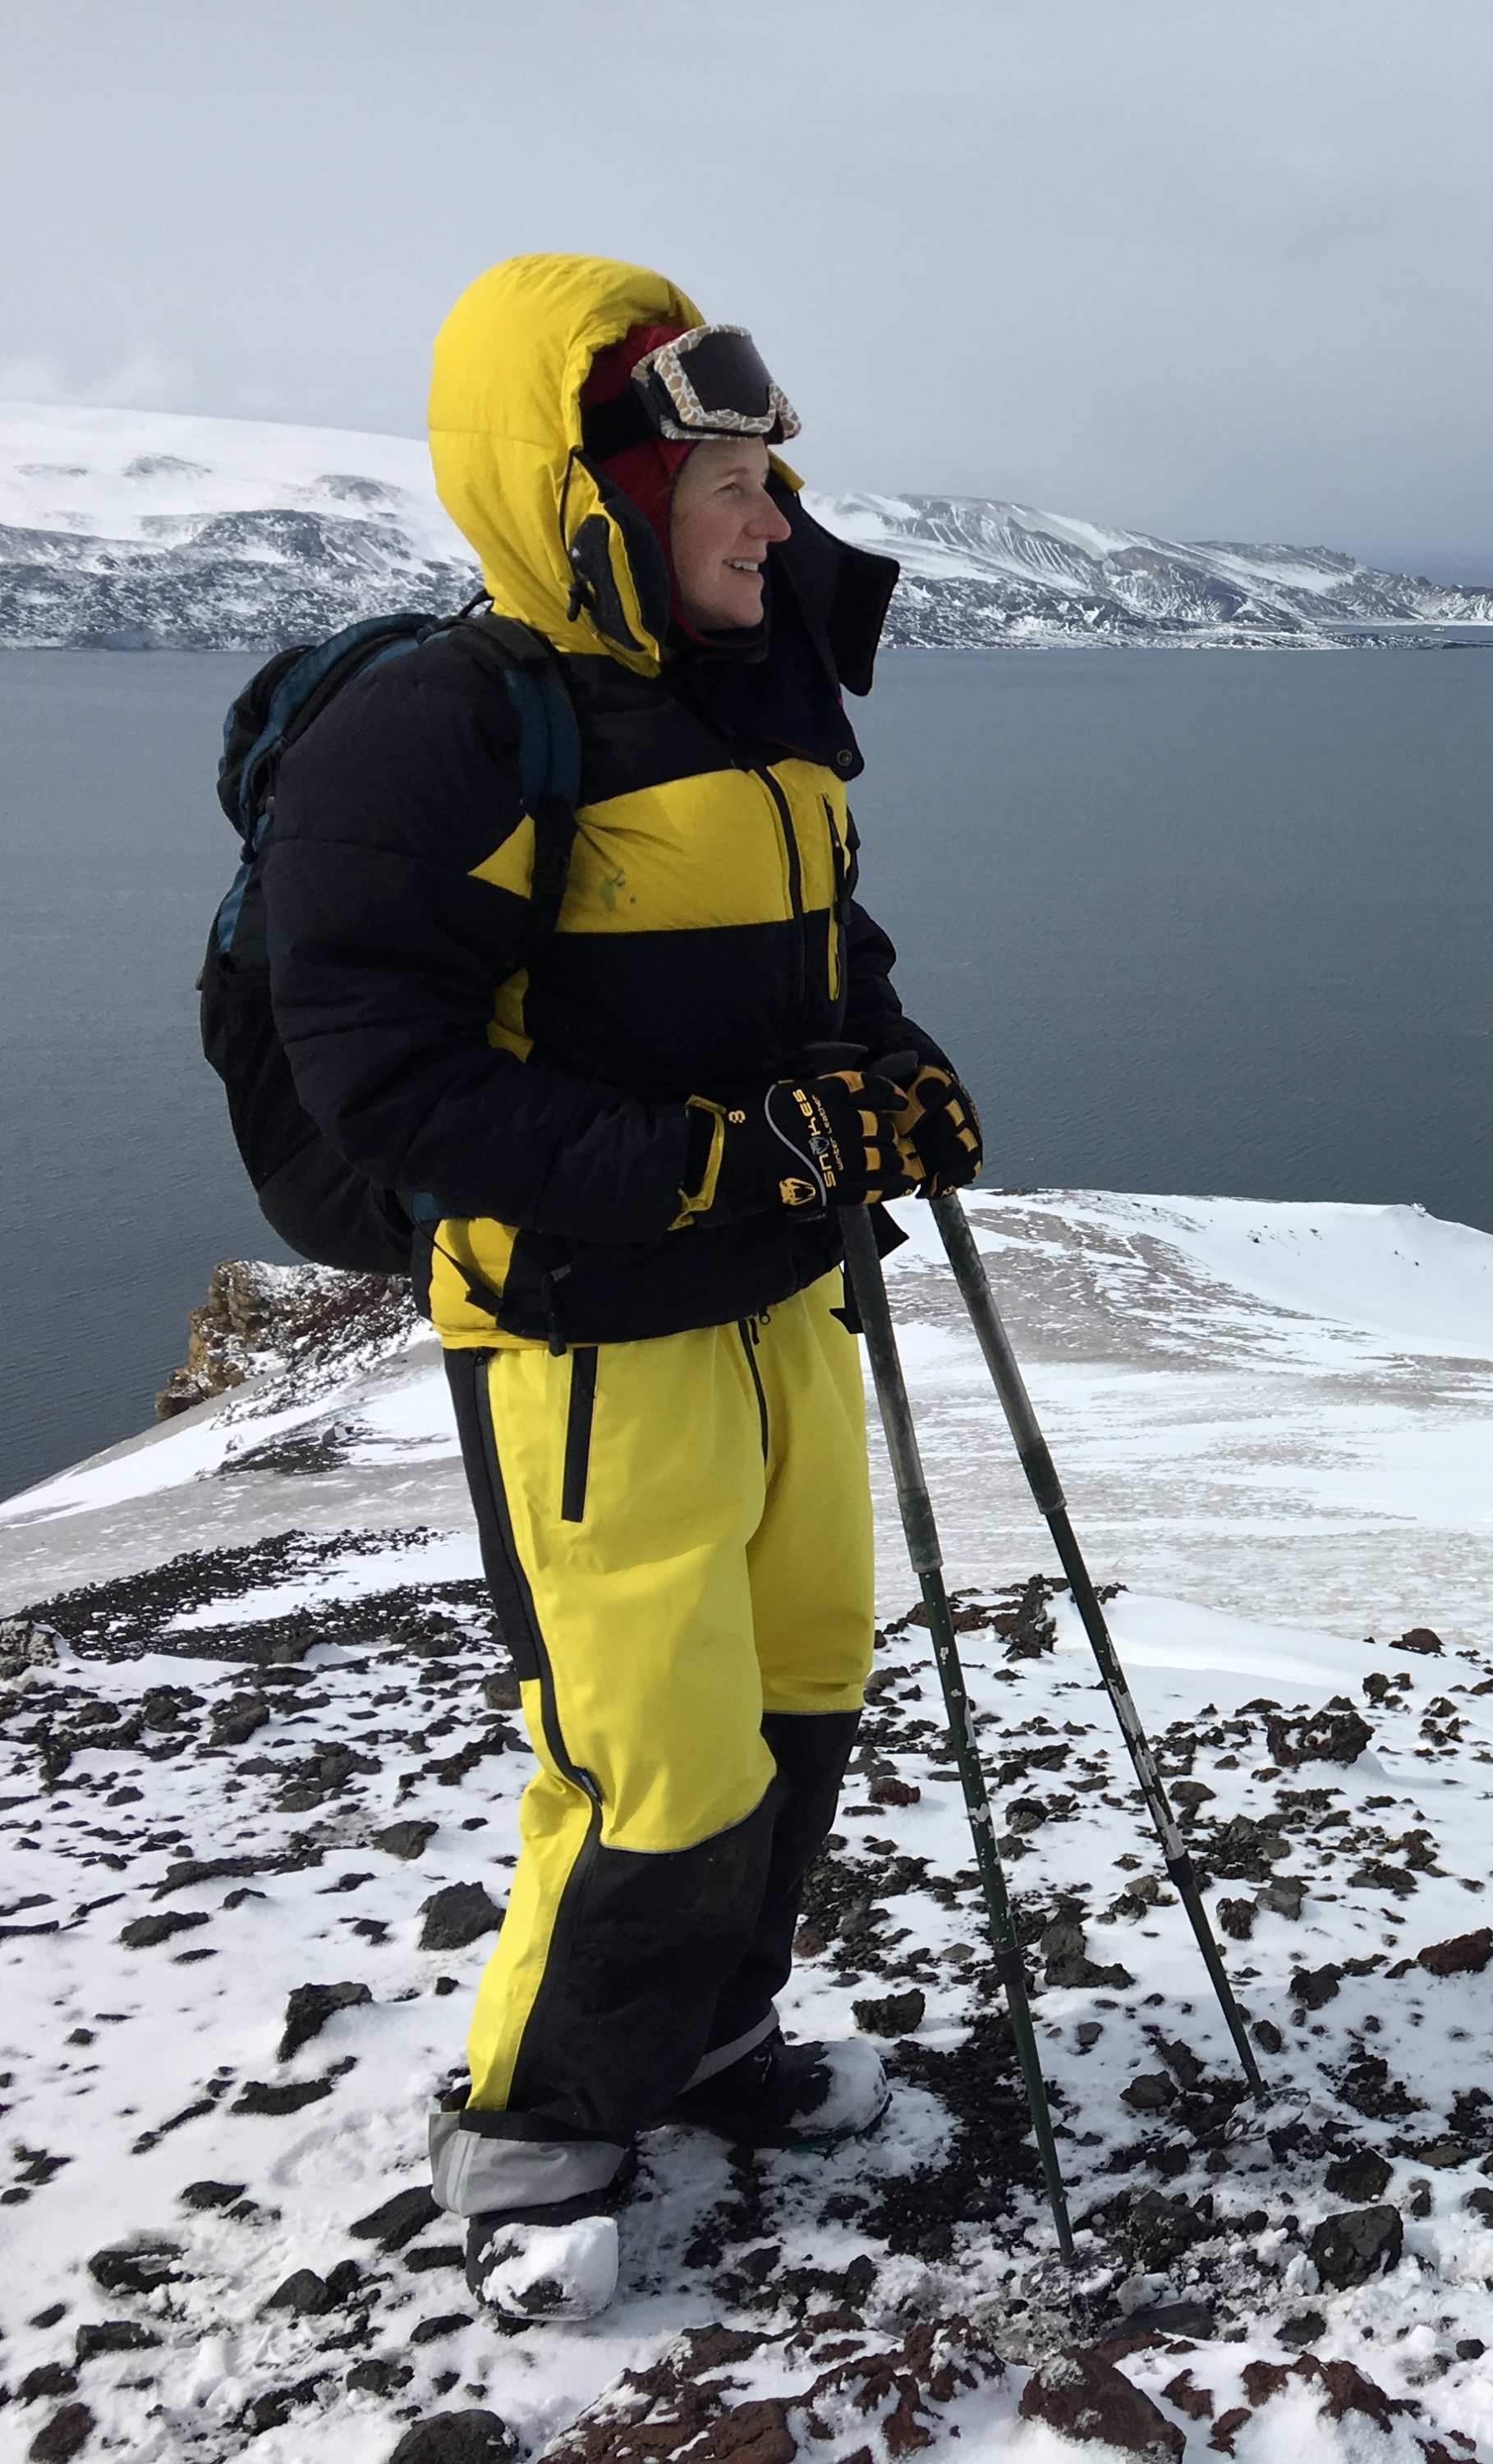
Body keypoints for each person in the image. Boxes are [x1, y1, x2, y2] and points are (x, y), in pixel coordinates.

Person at [264, 254, 979, 2319]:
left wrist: (894, 1076)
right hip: (586, 1336)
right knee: (649, 1753)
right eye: (729, 479)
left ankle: (712, 2039)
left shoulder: (753, 714)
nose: (773, 517)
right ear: (599, 496)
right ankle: (535, 2119)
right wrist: (708, 1161)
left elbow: (830, 959)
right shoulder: (447, 734)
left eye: (770, 476)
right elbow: (382, 1079)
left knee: (800, 1691)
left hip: (778, 1308)